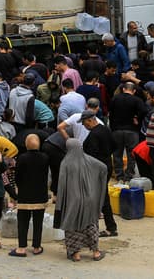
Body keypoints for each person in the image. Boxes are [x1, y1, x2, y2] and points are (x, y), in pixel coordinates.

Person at [55, 138, 106, 262]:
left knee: (72, 225)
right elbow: (103, 168)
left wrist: (59, 202)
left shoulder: (65, 163)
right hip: (89, 199)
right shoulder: (89, 160)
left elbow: (61, 185)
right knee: (91, 224)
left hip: (72, 200)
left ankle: (76, 254)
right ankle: (95, 252)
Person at [10, 134, 49, 257]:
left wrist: (19, 188)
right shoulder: (45, 157)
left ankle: (21, 248)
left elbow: (17, 177)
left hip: (25, 195)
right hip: (40, 195)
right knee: (38, 222)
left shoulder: (21, 158)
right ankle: (36, 246)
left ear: (26, 145)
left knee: (23, 221)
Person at [81, 110, 118, 238]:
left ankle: (110, 227)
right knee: (101, 196)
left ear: (89, 120)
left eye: (84, 123)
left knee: (102, 198)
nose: (84, 126)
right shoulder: (105, 129)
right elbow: (114, 145)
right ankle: (109, 226)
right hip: (107, 164)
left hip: (97, 169)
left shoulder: (94, 135)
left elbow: (91, 155)